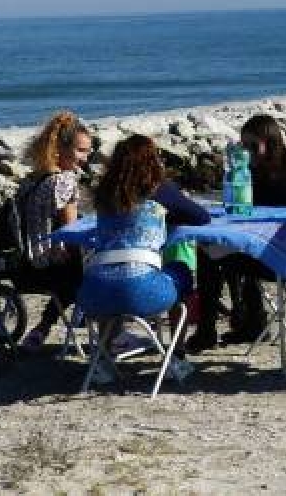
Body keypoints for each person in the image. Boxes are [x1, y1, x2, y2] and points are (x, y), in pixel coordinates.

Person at [78, 135, 211, 384]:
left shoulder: (105, 195)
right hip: (141, 291)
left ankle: (103, 361)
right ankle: (177, 356)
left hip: (94, 293)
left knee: (112, 279)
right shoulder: (159, 190)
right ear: (152, 161)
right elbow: (201, 217)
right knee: (180, 272)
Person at [190, 115, 286, 353]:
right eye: (244, 146)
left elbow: (246, 217)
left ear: (269, 144)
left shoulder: (266, 180)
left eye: (252, 146)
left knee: (210, 253)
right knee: (229, 250)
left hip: (282, 261)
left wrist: (237, 173)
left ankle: (207, 330)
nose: (248, 152)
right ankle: (251, 319)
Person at [16, 112, 94, 351]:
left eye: (88, 151)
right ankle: (113, 333)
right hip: (47, 266)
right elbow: (73, 233)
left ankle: (42, 329)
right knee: (96, 268)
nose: (86, 158)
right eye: (81, 151)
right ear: (60, 148)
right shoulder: (64, 180)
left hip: (23, 263)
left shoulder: (34, 177)